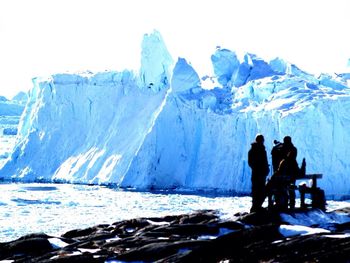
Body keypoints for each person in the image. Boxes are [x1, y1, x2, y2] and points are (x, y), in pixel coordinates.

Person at [248, 134, 270, 213]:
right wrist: (265, 169)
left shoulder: (251, 150)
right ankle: (257, 207)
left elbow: (250, 163)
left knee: (255, 190)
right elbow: (264, 161)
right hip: (261, 174)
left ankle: (255, 207)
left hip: (255, 174)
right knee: (261, 190)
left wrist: (255, 168)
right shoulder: (261, 150)